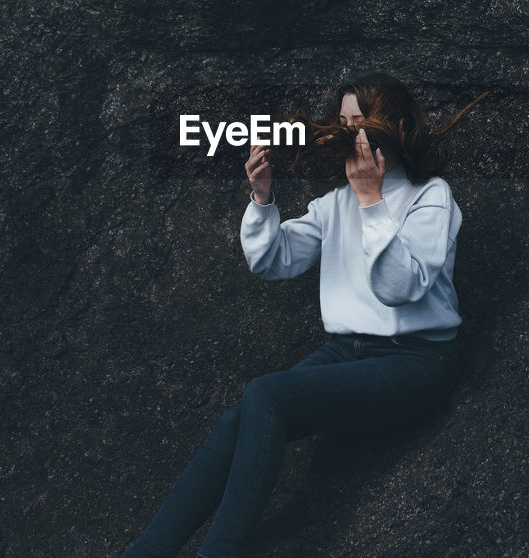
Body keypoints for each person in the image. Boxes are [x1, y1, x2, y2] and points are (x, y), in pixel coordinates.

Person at [122, 72, 488, 558]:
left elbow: (401, 288)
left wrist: (372, 201)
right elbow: (272, 260)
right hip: (347, 352)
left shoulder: (431, 196)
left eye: (361, 121)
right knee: (239, 419)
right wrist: (262, 197)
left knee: (267, 394)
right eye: (342, 122)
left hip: (417, 361)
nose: (349, 133)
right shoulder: (335, 203)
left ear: (392, 126)